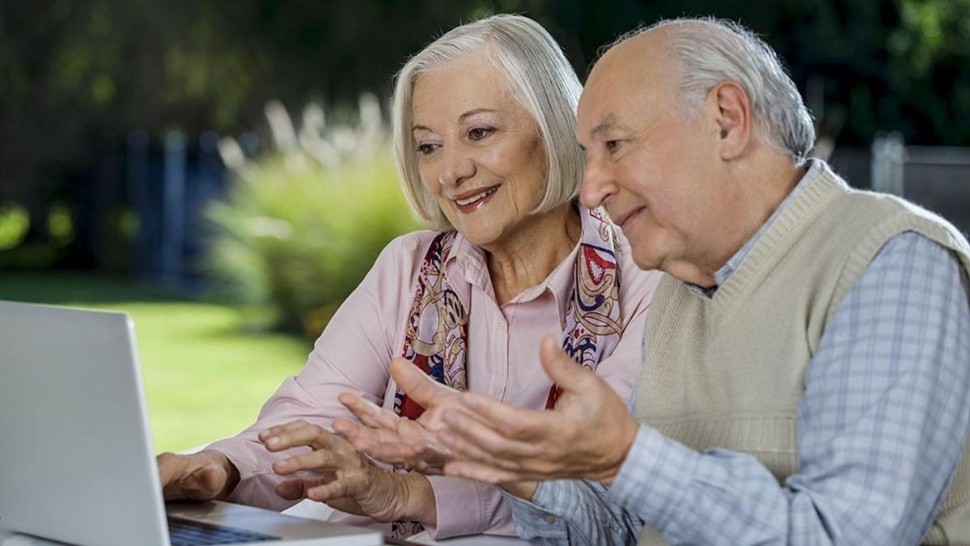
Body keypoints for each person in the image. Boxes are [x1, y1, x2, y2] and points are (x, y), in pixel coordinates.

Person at [335, 17, 970, 545]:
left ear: (727, 120)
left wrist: (625, 457)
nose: (591, 187)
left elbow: (850, 536)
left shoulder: (891, 261)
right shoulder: (678, 293)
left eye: (614, 145)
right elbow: (621, 528)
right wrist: (517, 462)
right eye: (589, 154)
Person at [156, 14, 661, 541]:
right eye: (428, 145)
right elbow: (314, 415)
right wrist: (221, 468)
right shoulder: (408, 267)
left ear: (557, 124)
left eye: (479, 132)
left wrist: (411, 494)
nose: (450, 172)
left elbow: (603, 495)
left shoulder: (643, 276)